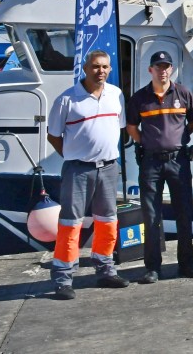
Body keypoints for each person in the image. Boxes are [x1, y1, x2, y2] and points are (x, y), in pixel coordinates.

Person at [47, 50, 130, 300]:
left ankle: (105, 269)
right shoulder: (67, 99)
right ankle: (63, 278)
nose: (101, 71)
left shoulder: (116, 95)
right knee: (70, 223)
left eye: (105, 67)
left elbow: (119, 128)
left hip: (108, 167)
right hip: (78, 169)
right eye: (95, 67)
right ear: (85, 68)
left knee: (107, 220)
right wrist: (73, 155)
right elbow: (53, 135)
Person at [126, 50, 193, 284]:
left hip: (178, 161)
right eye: (158, 66)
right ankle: (153, 268)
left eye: (166, 66)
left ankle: (187, 264)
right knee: (151, 216)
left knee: (184, 213)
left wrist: (180, 140)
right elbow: (131, 127)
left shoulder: (184, 94)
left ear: (171, 69)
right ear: (150, 70)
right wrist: (147, 143)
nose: (163, 70)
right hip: (151, 162)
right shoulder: (140, 98)